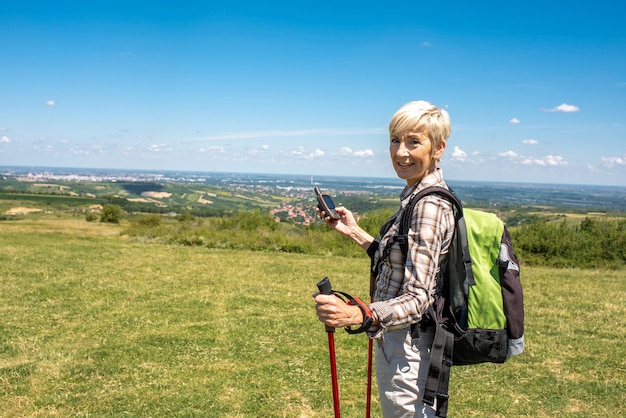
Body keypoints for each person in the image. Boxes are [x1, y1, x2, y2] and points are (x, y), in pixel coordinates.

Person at [314, 100, 456, 417]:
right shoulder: (416, 196)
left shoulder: (428, 206)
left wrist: (356, 315)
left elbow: (419, 298)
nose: (400, 152)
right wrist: (353, 231)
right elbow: (398, 259)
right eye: (395, 140)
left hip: (410, 348)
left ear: (438, 148)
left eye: (413, 141)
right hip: (401, 342)